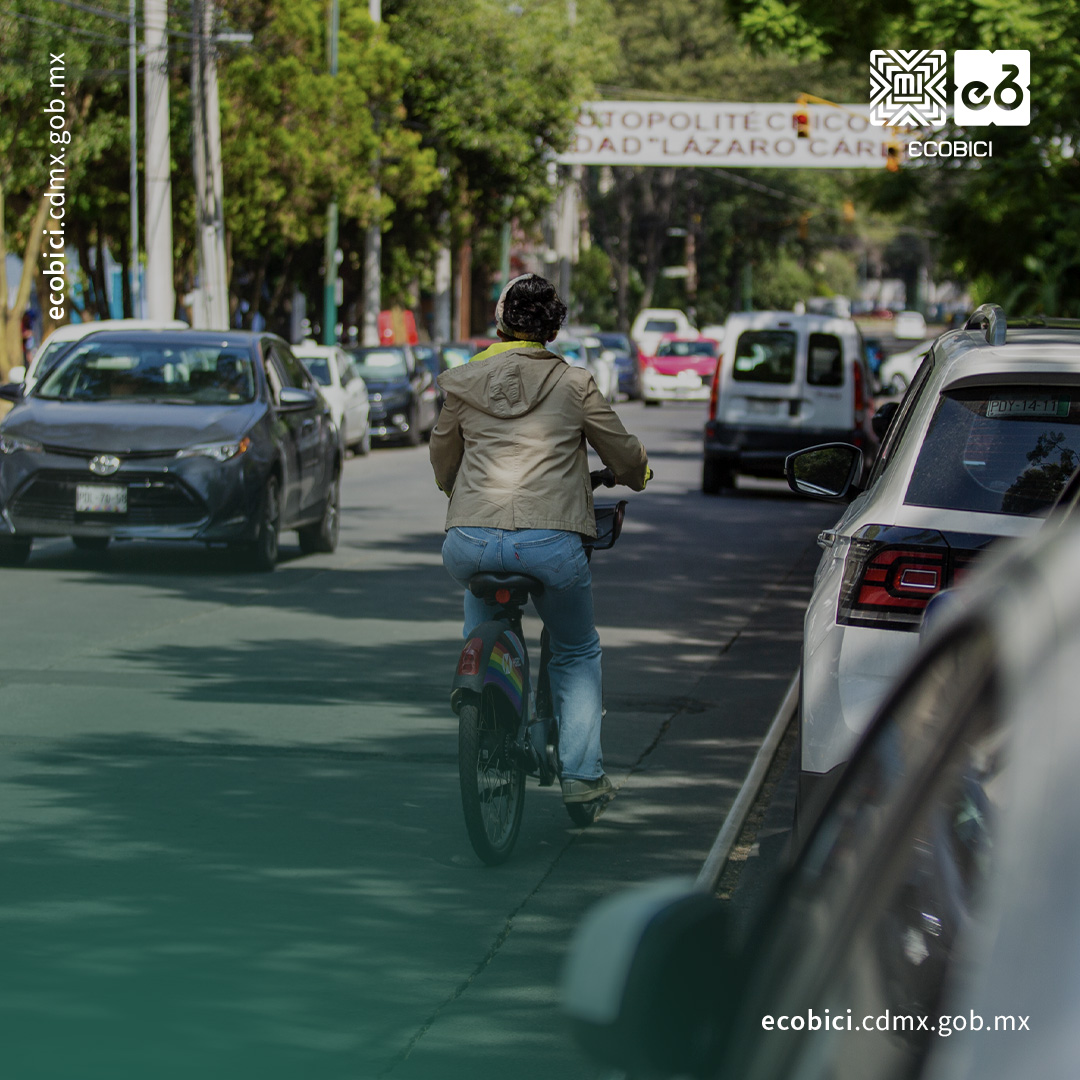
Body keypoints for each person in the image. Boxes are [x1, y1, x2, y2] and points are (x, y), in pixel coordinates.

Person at [429, 274, 650, 805]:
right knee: (575, 649)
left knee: (480, 602)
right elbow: (623, 454)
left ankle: (480, 689)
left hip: (470, 543)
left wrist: (456, 491)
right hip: (550, 544)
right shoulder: (574, 384)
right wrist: (633, 475)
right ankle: (581, 774)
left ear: (501, 321)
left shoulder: (462, 382)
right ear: (551, 327)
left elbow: (443, 459)